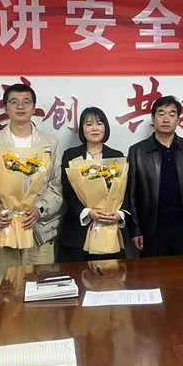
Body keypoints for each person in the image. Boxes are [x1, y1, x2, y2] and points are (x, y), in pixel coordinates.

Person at [0, 83, 63, 303]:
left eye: (26, 102)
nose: (20, 107)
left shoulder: (51, 144)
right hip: (3, 229)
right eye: (14, 102)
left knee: (41, 297)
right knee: (2, 296)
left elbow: (56, 185)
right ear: (5, 108)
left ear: (34, 107)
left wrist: (40, 209)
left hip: (39, 230)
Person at [127, 95, 183, 257]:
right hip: (151, 230)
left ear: (178, 120)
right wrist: (135, 229)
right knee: (152, 273)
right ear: (153, 118)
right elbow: (131, 195)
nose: (166, 119)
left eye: (172, 114)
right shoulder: (137, 151)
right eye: (161, 114)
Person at [58, 107, 128, 263]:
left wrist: (119, 214)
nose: (95, 128)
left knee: (109, 276)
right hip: (76, 231)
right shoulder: (70, 155)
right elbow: (67, 190)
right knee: (75, 276)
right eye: (89, 124)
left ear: (105, 128)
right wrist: (87, 212)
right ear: (82, 129)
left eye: (99, 124)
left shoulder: (118, 156)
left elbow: (126, 192)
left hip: (109, 228)